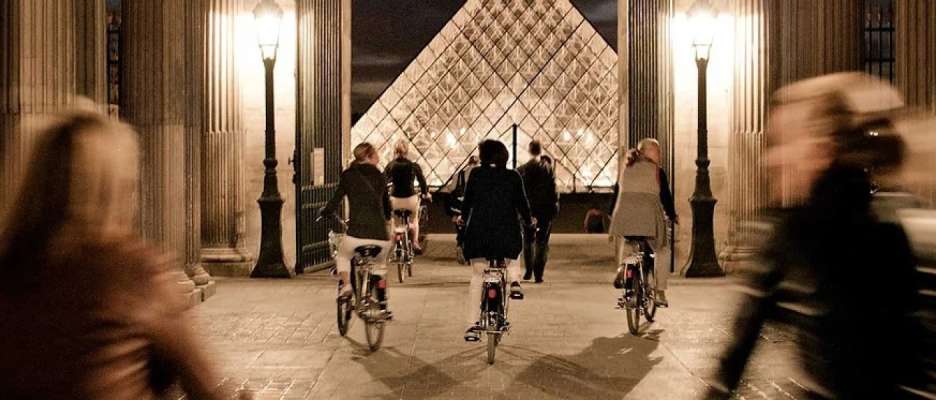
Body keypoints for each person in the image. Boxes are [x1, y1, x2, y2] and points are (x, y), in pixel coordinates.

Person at [707, 73, 930, 399]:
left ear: (822, 148)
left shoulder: (794, 234)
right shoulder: (887, 227)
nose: (771, 159)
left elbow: (737, 352)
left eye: (785, 142)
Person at [0, 109, 233, 399]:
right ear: (112, 191)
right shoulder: (132, 271)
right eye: (128, 187)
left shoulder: (10, 267)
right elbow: (207, 387)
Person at [458, 139, 534, 341]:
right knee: (514, 246)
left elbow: (467, 203)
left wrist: (462, 219)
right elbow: (523, 205)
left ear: (483, 156)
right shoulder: (513, 176)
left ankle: (472, 325)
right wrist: (529, 221)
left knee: (477, 277)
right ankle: (515, 280)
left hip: (479, 236)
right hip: (505, 235)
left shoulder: (476, 174)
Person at [320, 142, 393, 316]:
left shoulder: (348, 175)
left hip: (356, 233)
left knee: (343, 255)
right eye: (376, 154)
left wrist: (326, 211)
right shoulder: (380, 176)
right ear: (368, 156)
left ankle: (346, 286)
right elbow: (386, 207)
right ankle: (382, 303)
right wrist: (387, 220)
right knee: (380, 266)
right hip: (379, 235)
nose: (378, 157)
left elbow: (335, 200)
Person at [609, 138, 676, 307]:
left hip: (624, 215)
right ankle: (660, 291)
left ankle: (623, 268)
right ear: (648, 152)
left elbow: (617, 192)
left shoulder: (626, 168)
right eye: (657, 151)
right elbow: (665, 197)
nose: (660, 155)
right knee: (663, 249)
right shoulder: (657, 171)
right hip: (648, 218)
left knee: (628, 241)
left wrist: (612, 214)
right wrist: (672, 215)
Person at [518, 140, 559, 283]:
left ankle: (528, 270)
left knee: (528, 239)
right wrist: (554, 206)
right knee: (542, 241)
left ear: (529, 151)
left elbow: (519, 192)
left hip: (528, 210)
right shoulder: (548, 169)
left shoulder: (522, 169)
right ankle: (539, 273)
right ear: (541, 151)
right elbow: (554, 190)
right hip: (545, 210)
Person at [384, 140, 430, 252]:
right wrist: (425, 193)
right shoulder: (413, 166)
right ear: (407, 151)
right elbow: (422, 181)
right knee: (414, 220)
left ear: (395, 151)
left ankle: (396, 242)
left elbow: (383, 182)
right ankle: (415, 242)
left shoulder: (390, 166)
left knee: (395, 222)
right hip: (410, 199)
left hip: (395, 199)